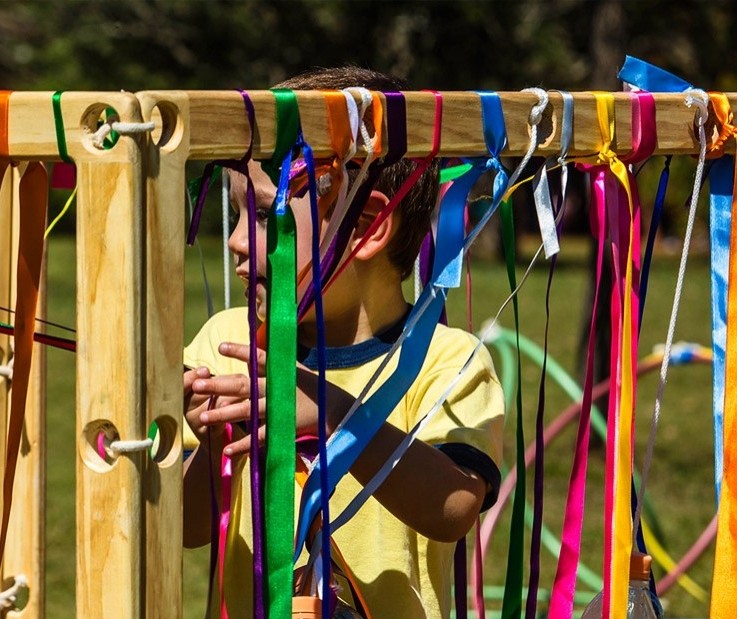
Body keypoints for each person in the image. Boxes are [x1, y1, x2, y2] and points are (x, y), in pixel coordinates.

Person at [182, 66, 505, 619]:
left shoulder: (448, 361)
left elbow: (453, 507)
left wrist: (333, 415)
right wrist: (211, 445)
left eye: (264, 215)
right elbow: (187, 529)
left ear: (368, 226)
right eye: (236, 214)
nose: (236, 241)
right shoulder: (227, 343)